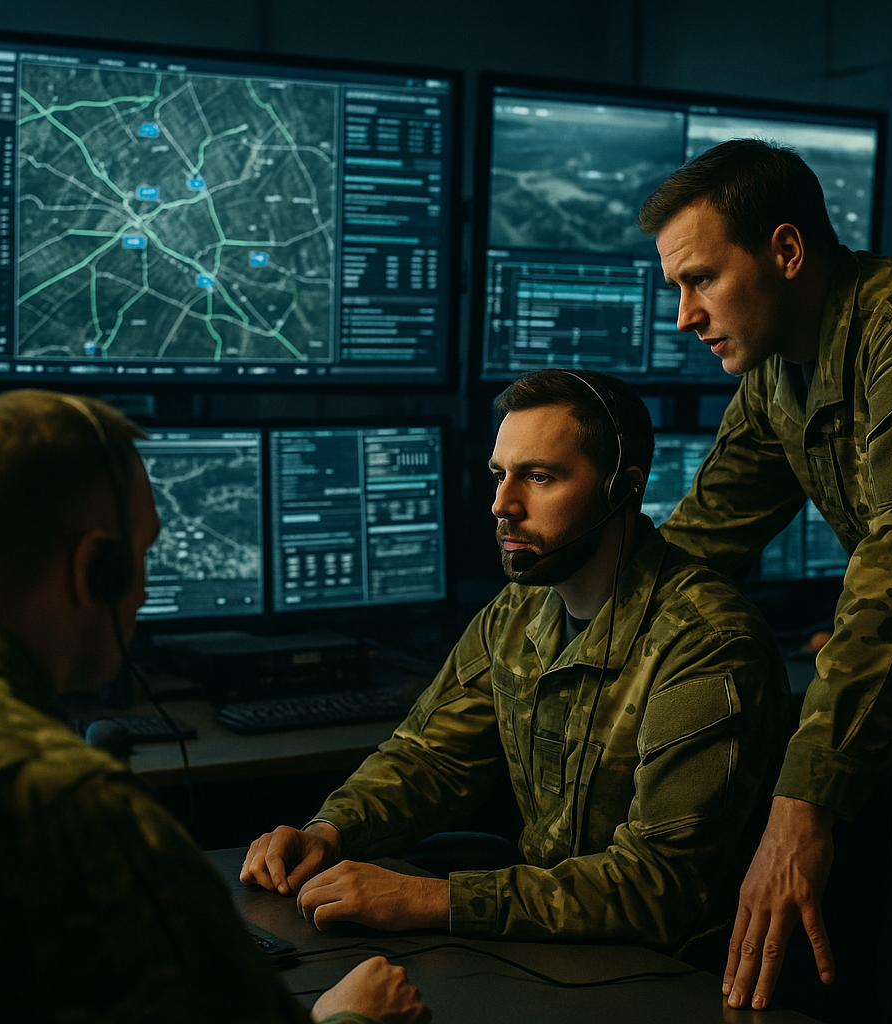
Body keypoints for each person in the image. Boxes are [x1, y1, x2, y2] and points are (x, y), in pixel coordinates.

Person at [0, 390, 429, 1024]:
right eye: (144, 555)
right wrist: (351, 1019)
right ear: (96, 567)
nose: (146, 589)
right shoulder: (70, 807)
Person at [242, 369, 790, 955]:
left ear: (623, 489)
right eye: (499, 476)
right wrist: (330, 830)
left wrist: (430, 900)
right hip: (548, 945)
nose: (503, 505)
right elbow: (431, 756)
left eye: (539, 477)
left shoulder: (706, 644)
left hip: (671, 973)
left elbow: (659, 886)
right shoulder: (520, 609)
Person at [637, 138, 892, 1015]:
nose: (684, 316)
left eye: (700, 280)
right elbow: (698, 543)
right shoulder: (777, 375)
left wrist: (799, 808)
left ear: (787, 252)